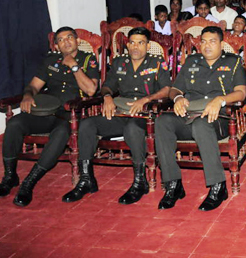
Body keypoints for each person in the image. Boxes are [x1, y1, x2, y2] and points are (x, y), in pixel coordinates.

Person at [62, 27, 171, 205]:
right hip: (121, 112)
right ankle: (86, 179)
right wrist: (106, 97)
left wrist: (146, 99)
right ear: (128, 45)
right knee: (88, 124)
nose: (135, 47)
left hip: (146, 116)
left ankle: (140, 182)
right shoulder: (119, 62)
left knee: (132, 129)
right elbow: (107, 86)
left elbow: (167, 89)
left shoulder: (156, 62)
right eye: (132, 42)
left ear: (147, 45)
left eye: (140, 43)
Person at [0, 27, 99, 207]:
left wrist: (73, 65)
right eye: (61, 39)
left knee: (60, 133)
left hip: (70, 114)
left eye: (69, 37)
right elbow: (33, 86)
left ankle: (29, 182)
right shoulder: (50, 60)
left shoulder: (88, 60)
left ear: (77, 41)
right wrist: (28, 95)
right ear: (56, 46)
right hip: (45, 111)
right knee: (14, 123)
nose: (66, 42)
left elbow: (91, 90)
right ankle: (10, 176)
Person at [155, 26, 246, 211]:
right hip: (189, 115)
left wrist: (220, 100)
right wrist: (178, 98)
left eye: (212, 41)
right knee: (162, 122)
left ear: (221, 44)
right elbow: (175, 89)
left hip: (219, 118)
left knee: (201, 124)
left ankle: (218, 186)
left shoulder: (233, 61)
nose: (207, 45)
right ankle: (173, 183)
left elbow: (241, 93)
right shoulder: (192, 61)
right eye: (203, 41)